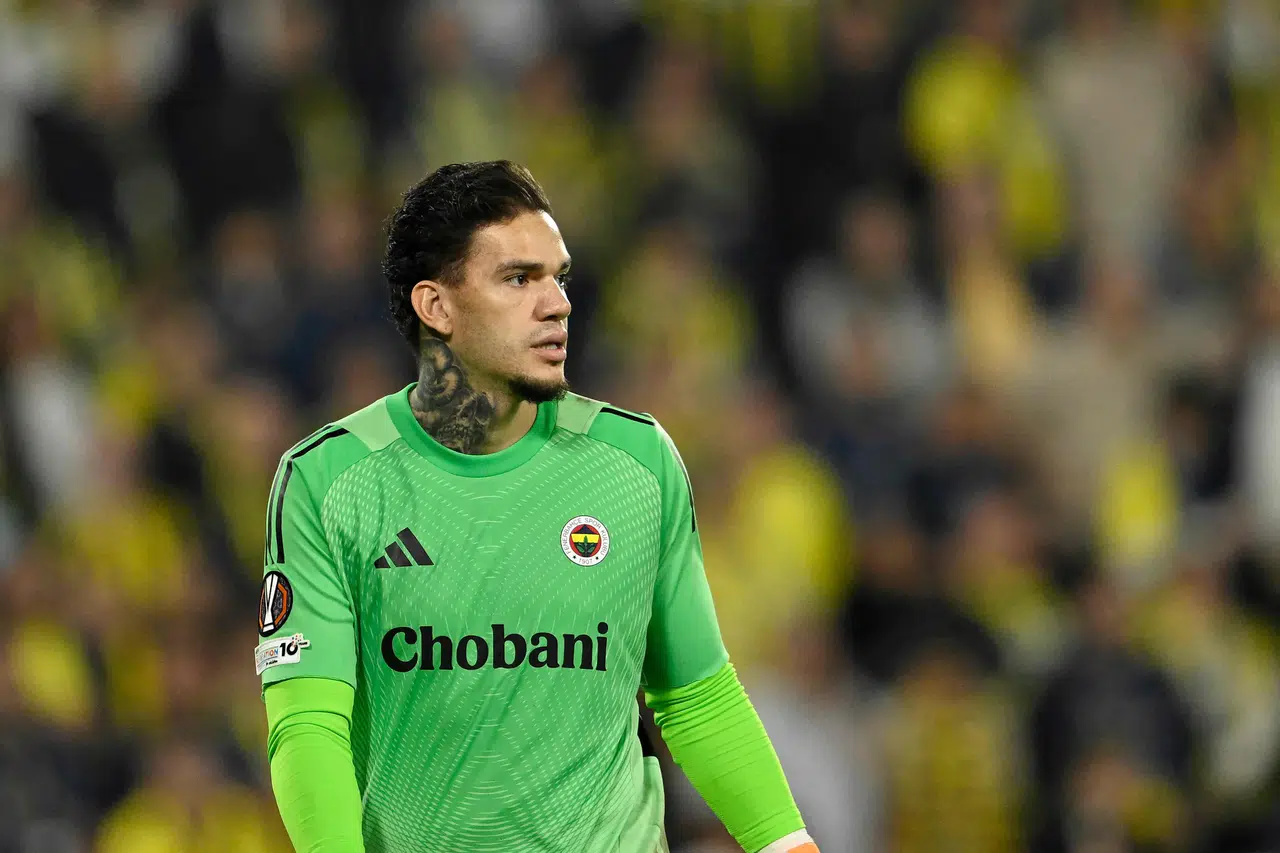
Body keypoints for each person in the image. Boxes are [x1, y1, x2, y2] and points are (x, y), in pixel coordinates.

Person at [256, 161, 821, 853]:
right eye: (519, 279)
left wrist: (789, 845)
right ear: (437, 307)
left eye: (559, 277)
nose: (557, 304)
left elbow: (697, 696)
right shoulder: (329, 481)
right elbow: (309, 723)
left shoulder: (637, 463)